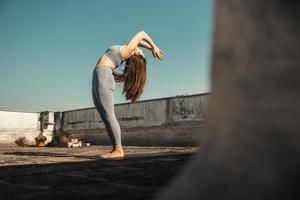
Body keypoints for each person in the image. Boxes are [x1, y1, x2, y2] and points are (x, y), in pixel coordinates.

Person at [92, 31, 164, 160]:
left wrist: (154, 46)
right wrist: (150, 47)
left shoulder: (128, 50)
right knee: (105, 116)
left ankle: (118, 150)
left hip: (103, 76)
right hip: (98, 75)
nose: (141, 50)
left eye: (141, 53)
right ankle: (115, 148)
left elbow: (141, 34)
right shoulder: (128, 49)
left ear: (135, 55)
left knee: (109, 115)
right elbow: (141, 42)